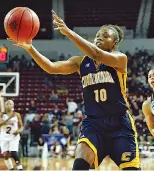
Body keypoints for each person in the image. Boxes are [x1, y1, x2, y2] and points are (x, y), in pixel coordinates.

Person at [8, 10, 140, 170]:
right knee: (80, 162)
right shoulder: (81, 62)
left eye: (105, 36)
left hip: (119, 123)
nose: (99, 37)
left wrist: (68, 32)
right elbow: (51, 67)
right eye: (98, 35)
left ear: (114, 43)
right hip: (94, 123)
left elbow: (96, 54)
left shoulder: (120, 59)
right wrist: (30, 48)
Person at [0, 100, 24, 170]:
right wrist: (9, 118)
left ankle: (20, 168)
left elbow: (21, 126)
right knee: (6, 155)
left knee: (14, 152)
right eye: (7, 104)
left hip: (14, 136)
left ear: (13, 105)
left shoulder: (17, 114)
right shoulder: (1, 114)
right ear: (5, 106)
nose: (8, 105)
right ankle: (11, 168)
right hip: (4, 136)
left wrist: (19, 131)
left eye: (10, 104)